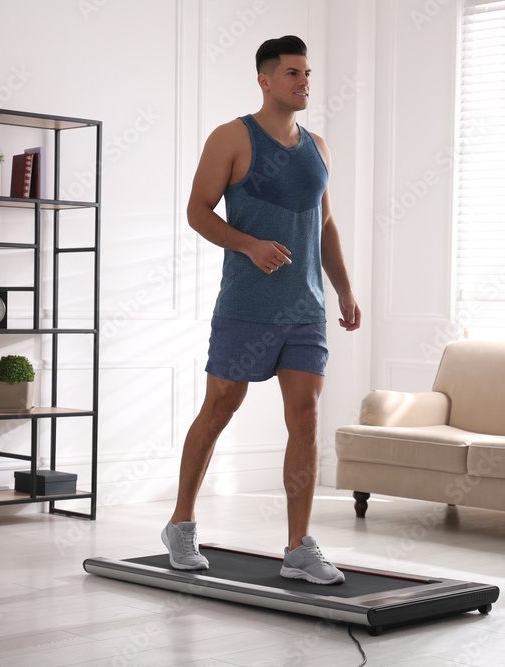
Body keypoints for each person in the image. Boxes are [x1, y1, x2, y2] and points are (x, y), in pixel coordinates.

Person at [161, 35, 361, 585]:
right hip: (246, 306)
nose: (304, 82)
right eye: (293, 73)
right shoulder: (231, 137)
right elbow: (198, 212)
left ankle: (298, 547)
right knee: (220, 408)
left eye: (307, 73)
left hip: (306, 309)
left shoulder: (318, 146)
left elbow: (326, 226)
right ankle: (181, 524)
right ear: (265, 79)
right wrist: (249, 244)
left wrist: (342, 289)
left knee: (305, 417)